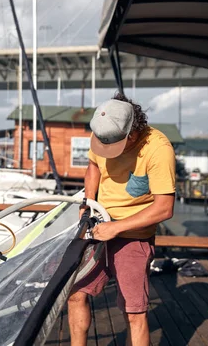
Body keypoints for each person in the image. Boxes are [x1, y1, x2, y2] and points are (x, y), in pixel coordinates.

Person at [68, 93, 176, 346]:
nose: (108, 150)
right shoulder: (104, 129)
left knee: (133, 311)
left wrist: (116, 227)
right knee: (75, 294)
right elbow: (93, 166)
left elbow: (164, 209)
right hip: (97, 228)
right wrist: (89, 202)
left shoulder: (158, 149)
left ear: (133, 133)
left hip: (132, 237)